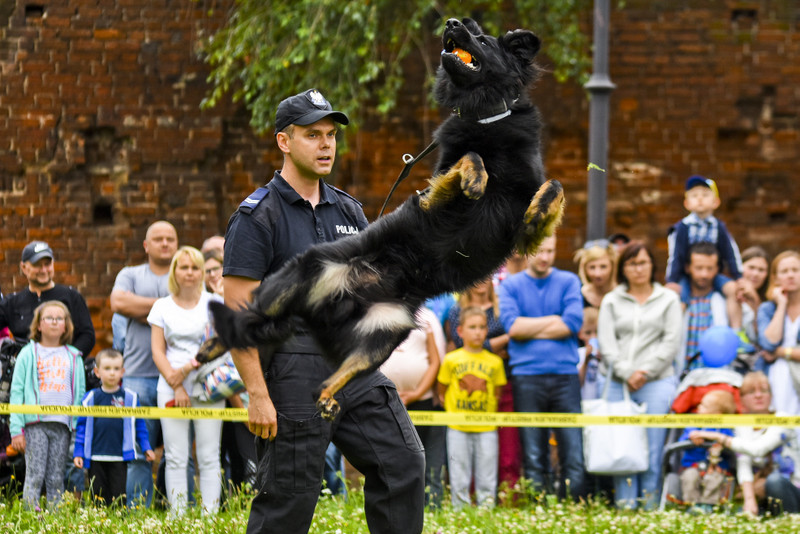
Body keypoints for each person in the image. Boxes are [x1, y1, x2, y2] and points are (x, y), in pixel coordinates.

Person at [222, 88, 424, 533]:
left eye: (331, 135)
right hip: (293, 369)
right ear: (284, 141)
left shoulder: (349, 208)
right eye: (313, 135)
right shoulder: (259, 217)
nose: (326, 144)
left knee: (402, 463)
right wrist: (257, 394)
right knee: (290, 501)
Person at [497, 234, 585, 500]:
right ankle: (538, 509)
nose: (545, 257)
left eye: (551, 251)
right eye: (540, 251)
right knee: (534, 452)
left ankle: (571, 508)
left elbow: (572, 324)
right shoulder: (511, 286)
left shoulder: (569, 281)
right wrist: (553, 321)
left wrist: (530, 326)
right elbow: (512, 327)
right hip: (526, 376)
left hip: (565, 376)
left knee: (573, 450)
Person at [597, 240, 682, 509]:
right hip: (618, 383)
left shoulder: (668, 299)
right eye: (632, 263)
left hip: (657, 381)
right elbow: (606, 343)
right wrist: (627, 372)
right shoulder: (612, 300)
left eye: (643, 262)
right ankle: (625, 505)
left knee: (653, 445)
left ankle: (649, 505)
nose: (638, 269)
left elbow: (671, 342)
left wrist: (645, 372)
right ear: (624, 268)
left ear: (652, 265)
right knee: (623, 443)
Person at [148, 245, 224, 515]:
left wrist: (190, 366)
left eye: (195, 267)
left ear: (202, 271)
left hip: (209, 386)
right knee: (176, 456)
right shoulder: (162, 306)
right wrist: (177, 384)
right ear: (174, 271)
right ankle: (178, 516)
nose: (190, 273)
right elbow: (157, 350)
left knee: (208, 455)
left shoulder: (215, 303)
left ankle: (210, 517)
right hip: (170, 388)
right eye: (184, 267)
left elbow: (220, 342)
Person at [110, 220, 178, 506]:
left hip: (178, 378)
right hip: (138, 375)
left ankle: (174, 503)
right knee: (139, 448)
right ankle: (139, 510)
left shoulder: (185, 273)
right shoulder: (131, 273)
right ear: (146, 246)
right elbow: (119, 303)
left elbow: (194, 309)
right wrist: (168, 308)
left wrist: (145, 310)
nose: (165, 243)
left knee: (177, 450)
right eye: (158, 239)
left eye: (170, 238)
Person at [689, 371, 800, 515]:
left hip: (791, 489)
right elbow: (744, 462)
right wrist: (749, 500)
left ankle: (791, 522)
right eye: (751, 392)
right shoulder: (741, 426)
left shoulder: (783, 419)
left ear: (771, 396)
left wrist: (718, 437)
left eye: (764, 390)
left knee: (774, 482)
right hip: (758, 491)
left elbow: (757, 449)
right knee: (739, 512)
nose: (758, 395)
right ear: (741, 400)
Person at [9, 301, 86, 507]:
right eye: (48, 318)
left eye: (59, 318)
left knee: (56, 477)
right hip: (35, 424)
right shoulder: (28, 353)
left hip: (62, 426)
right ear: (39, 325)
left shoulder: (74, 356)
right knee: (34, 475)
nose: (54, 322)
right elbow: (16, 392)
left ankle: (55, 521)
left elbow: (79, 394)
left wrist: (78, 426)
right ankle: (29, 518)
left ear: (66, 326)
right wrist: (16, 430)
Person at [437, 306, 507, 508]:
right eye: (472, 327)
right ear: (460, 331)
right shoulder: (451, 360)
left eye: (482, 327)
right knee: (459, 471)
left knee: (487, 471)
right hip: (457, 427)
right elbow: (442, 389)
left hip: (486, 428)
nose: (478, 332)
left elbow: (498, 392)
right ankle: (460, 510)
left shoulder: (495, 362)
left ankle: (487, 508)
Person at [381, 305, 446, 507]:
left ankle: (431, 505)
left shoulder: (428, 317)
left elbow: (437, 361)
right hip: (385, 400)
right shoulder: (381, 314)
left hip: (423, 401)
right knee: (393, 458)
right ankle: (397, 504)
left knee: (425, 458)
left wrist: (416, 393)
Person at [73, 349, 155, 506]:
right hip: (96, 457)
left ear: (123, 372)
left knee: (119, 499)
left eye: (116, 369)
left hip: (120, 457)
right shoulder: (90, 398)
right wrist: (78, 452)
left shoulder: (130, 398)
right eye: (107, 368)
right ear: (97, 372)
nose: (112, 373)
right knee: (98, 499)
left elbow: (140, 425)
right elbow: (81, 427)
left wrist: (146, 447)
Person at [665, 175, 742, 329]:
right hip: (688, 275)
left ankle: (737, 332)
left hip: (713, 274)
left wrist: (738, 277)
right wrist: (672, 280)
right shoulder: (682, 228)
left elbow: (730, 253)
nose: (700, 199)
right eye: (694, 196)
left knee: (733, 290)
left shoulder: (719, 227)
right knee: (679, 297)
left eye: (705, 195)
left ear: (716, 202)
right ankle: (675, 331)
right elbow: (676, 256)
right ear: (687, 203)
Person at [0, 240, 95, 358]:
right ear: (24, 267)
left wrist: (68, 359)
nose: (44, 270)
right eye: (37, 265)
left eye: (47, 264)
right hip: (26, 370)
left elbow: (87, 335)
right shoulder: (12, 302)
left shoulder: (71, 296)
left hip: (65, 370)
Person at [680, 242, 737, 374]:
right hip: (683, 375)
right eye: (699, 268)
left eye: (709, 268)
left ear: (717, 269)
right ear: (688, 268)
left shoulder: (726, 301)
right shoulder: (679, 302)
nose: (704, 274)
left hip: (717, 375)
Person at [756, 250, 800, 423]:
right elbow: (768, 343)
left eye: (795, 270)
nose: (790, 275)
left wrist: (781, 352)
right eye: (784, 271)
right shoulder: (768, 309)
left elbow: (774, 350)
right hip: (775, 378)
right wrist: (781, 305)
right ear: (775, 277)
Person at [679, 389, 737, 507]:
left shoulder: (724, 431)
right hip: (693, 467)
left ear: (717, 414)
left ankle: (708, 505)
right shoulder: (693, 427)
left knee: (714, 480)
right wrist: (690, 438)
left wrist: (719, 443)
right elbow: (681, 442)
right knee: (690, 478)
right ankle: (692, 505)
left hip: (717, 469)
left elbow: (731, 445)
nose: (698, 407)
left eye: (704, 406)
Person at [736, 246, 771, 371]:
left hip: (758, 365)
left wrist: (755, 299)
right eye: (751, 268)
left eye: (761, 270)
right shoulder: (729, 295)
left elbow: (763, 339)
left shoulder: (770, 302)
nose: (755, 274)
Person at [573, 239, 617, 309]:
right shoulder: (578, 295)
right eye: (592, 267)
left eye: (603, 267)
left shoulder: (622, 294)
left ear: (613, 266)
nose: (597, 274)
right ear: (584, 269)